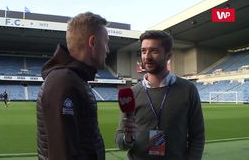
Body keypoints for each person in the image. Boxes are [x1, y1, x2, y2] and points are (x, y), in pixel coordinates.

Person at [115, 30, 205, 160]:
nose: (147, 57)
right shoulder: (132, 93)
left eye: (154, 51)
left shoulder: (188, 89)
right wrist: (127, 138)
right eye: (143, 51)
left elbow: (197, 136)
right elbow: (120, 140)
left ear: (168, 55)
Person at [37, 12, 109, 160]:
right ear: (93, 42)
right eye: (106, 42)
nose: (108, 49)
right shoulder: (64, 81)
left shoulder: (74, 79)